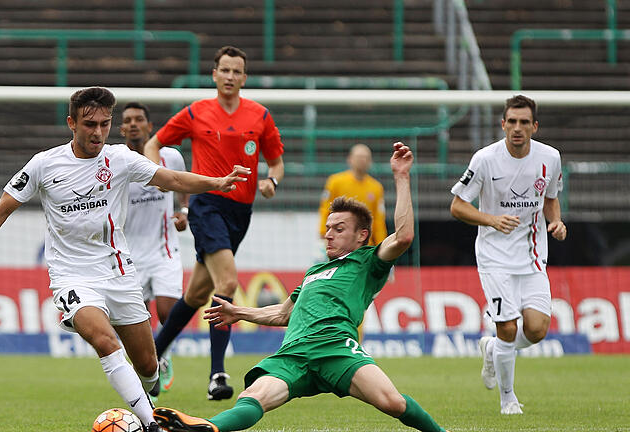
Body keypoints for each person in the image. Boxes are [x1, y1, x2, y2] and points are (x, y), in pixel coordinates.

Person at [0, 87, 249, 430]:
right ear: (71, 123)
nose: (98, 132)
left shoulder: (119, 158)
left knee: (148, 366)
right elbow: (1, 210)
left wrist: (217, 182)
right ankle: (153, 423)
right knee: (105, 340)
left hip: (118, 272)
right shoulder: (45, 164)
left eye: (105, 124)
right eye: (90, 124)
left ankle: (149, 391)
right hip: (72, 275)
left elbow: (173, 178)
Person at [153, 143, 450, 432]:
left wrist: (401, 176)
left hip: (335, 349)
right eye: (328, 227)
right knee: (252, 397)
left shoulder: (369, 261)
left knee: (393, 403)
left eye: (339, 229)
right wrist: (239, 312)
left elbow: (404, 237)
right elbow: (283, 314)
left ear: (362, 235)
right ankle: (209, 428)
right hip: (294, 354)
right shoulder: (315, 271)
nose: (328, 234)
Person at [143, 45, 285, 400]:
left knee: (196, 294)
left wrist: (272, 182)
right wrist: (156, 176)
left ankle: (151, 356)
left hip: (241, 212)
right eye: (224, 70)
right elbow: (154, 143)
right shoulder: (196, 112)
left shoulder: (260, 116)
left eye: (237, 71)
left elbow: (276, 162)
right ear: (214, 74)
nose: (230, 77)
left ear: (244, 77)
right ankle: (218, 374)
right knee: (229, 281)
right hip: (206, 205)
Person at [449, 95, 567, 415]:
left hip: (531, 256)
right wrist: (491, 220)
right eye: (511, 122)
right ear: (503, 124)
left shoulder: (550, 157)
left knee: (537, 329)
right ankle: (508, 399)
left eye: (524, 122)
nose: (517, 128)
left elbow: (551, 198)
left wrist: (555, 221)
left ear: (534, 126)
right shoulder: (485, 159)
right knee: (508, 327)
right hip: (494, 257)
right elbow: (458, 205)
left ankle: (494, 349)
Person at [120, 101, 189, 393]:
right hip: (129, 253)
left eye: (139, 119)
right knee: (137, 319)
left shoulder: (169, 157)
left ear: (150, 127)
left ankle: (163, 353)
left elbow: (182, 184)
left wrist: (184, 211)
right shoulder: (115, 161)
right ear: (121, 128)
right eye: (128, 120)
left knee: (166, 311)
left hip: (164, 250)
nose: (134, 124)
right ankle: (149, 364)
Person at [319, 143, 387, 246]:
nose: (362, 160)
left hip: (365, 245)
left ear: (370, 161)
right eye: (359, 157)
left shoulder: (376, 187)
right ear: (350, 159)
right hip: (339, 241)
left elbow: (379, 218)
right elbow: (325, 208)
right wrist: (323, 232)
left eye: (366, 158)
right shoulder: (335, 182)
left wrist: (381, 243)